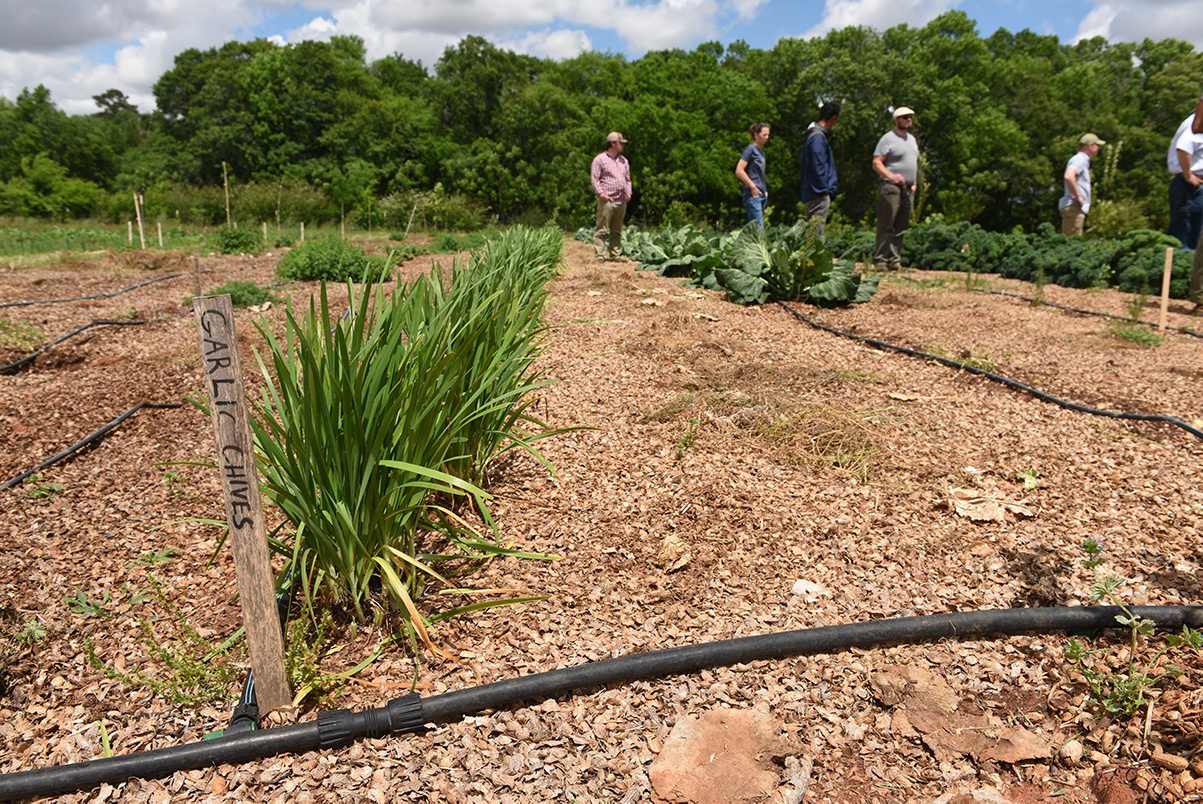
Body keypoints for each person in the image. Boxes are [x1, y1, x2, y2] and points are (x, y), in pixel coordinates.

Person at [871, 106, 920, 271]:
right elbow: (877, 162)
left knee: (902, 225)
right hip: (891, 187)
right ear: (896, 120)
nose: (908, 120)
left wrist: (914, 182)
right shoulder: (888, 139)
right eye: (905, 117)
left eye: (910, 117)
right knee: (887, 223)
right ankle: (880, 259)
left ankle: (894, 259)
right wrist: (891, 176)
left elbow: (913, 163)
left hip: (908, 188)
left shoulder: (911, 140)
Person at [799, 101, 841, 235]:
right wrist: (823, 190)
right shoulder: (818, 138)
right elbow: (818, 164)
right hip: (817, 193)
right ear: (833, 118)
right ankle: (812, 256)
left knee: (813, 230)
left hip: (813, 191)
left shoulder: (812, 135)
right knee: (815, 233)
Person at [591, 131, 633, 262]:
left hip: (621, 200)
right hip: (607, 200)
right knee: (602, 229)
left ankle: (615, 254)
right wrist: (600, 194)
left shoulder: (624, 161)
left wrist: (629, 192)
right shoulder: (599, 160)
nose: (623, 146)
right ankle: (599, 254)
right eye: (621, 143)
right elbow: (595, 178)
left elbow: (628, 179)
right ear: (613, 144)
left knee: (617, 230)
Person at [1057, 133, 1105, 237]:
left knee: (1074, 241)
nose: (1098, 148)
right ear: (1090, 146)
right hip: (1073, 206)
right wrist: (1078, 196)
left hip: (1074, 207)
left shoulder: (1081, 160)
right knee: (1072, 244)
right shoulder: (1080, 159)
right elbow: (1069, 176)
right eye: (1097, 146)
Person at [1167, 109, 1201, 249]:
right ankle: (1180, 269)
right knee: (1187, 239)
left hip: (1194, 187)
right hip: (1191, 188)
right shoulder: (1195, 124)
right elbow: (1183, 148)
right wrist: (1188, 175)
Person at [735, 123, 771, 227]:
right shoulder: (750, 150)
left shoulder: (761, 153)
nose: (767, 138)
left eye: (768, 135)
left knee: (753, 229)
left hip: (762, 194)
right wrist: (752, 187)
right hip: (753, 195)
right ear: (756, 135)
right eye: (764, 135)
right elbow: (739, 170)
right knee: (758, 229)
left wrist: (765, 191)